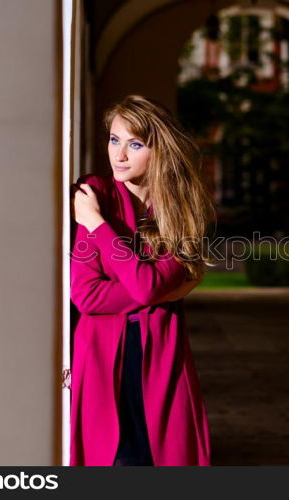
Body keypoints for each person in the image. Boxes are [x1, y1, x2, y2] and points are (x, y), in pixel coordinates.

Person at [68, 94, 215, 466]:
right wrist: (164, 291)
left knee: (165, 457)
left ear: (158, 150)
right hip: (102, 356)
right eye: (115, 140)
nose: (119, 155)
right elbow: (86, 296)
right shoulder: (95, 194)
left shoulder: (180, 213)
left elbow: (145, 287)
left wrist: (97, 227)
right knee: (114, 460)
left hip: (161, 354)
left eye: (135, 144)